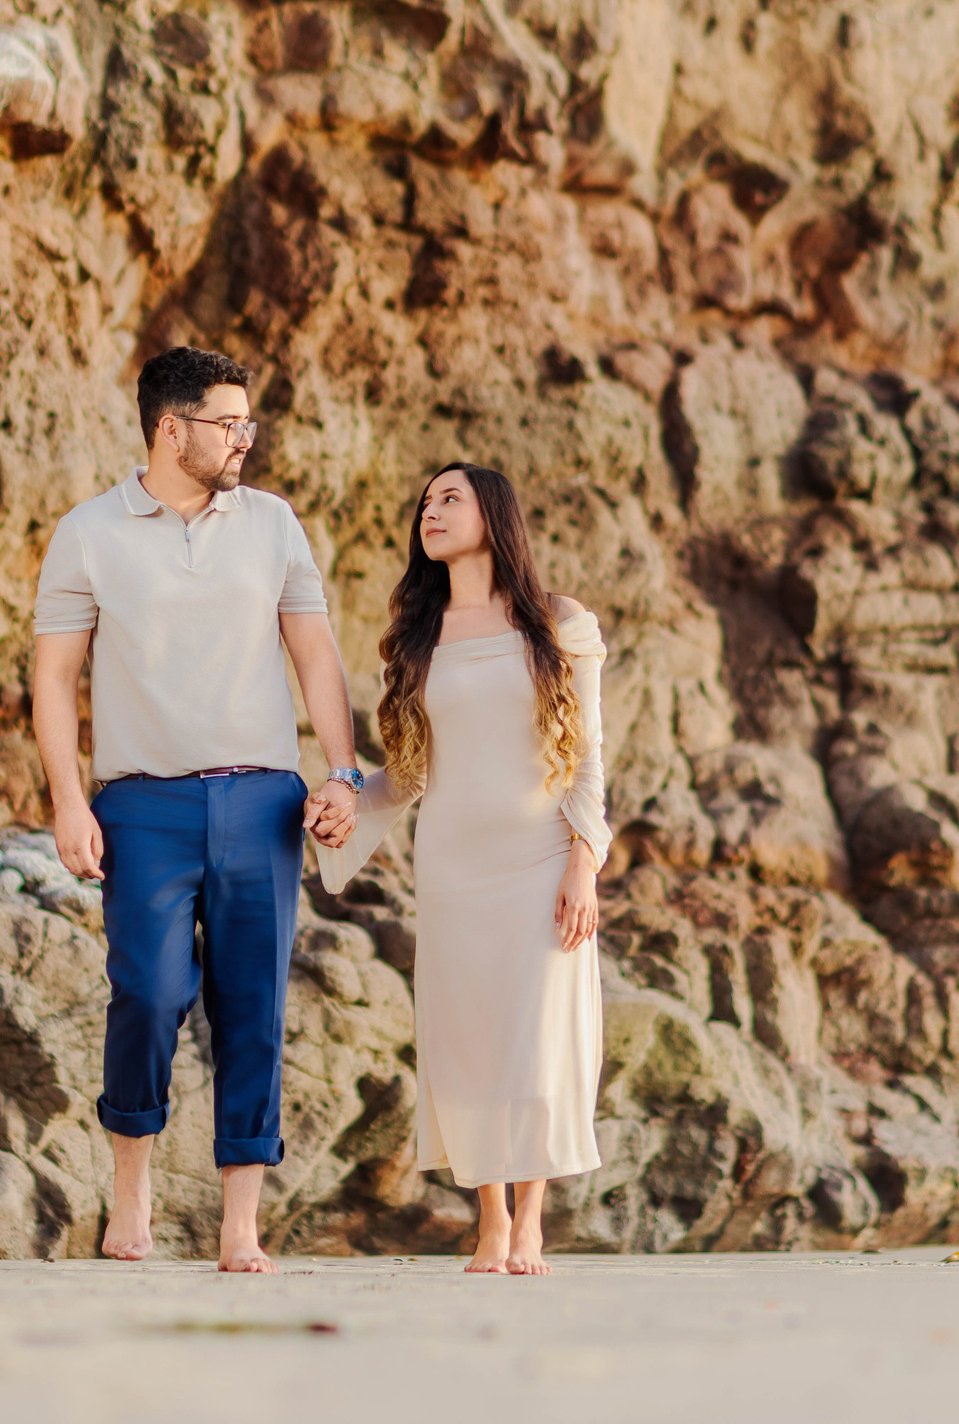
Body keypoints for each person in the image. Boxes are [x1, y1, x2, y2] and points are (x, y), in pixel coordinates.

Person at [31, 346, 363, 1272]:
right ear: (170, 429)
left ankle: (239, 1226)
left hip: (263, 800)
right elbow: (55, 677)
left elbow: (316, 655)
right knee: (147, 992)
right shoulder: (88, 532)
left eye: (248, 422)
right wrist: (68, 799)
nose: (244, 438)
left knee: (252, 1007)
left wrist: (343, 772)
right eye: (228, 423)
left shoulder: (273, 525)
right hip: (141, 806)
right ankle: (129, 1197)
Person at [317, 463, 609, 1275]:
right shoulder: (419, 636)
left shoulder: (560, 622)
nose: (430, 511)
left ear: (495, 514)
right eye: (423, 502)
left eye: (450, 498)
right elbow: (407, 777)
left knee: (538, 1040)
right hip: (452, 869)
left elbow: (588, 763)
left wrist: (585, 861)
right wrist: (345, 800)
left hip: (543, 858)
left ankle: (532, 1221)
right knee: (471, 1045)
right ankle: (488, 1221)